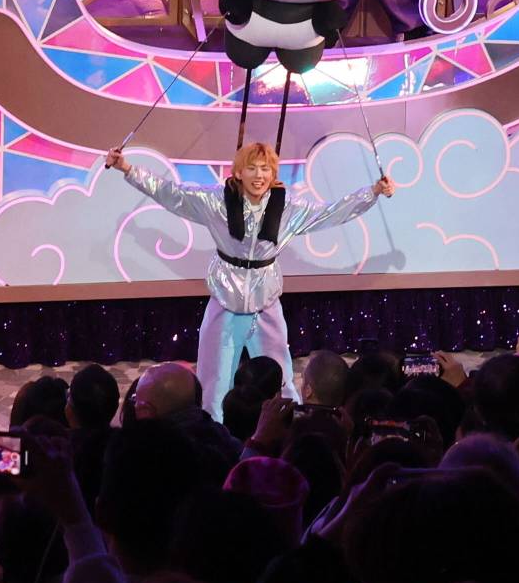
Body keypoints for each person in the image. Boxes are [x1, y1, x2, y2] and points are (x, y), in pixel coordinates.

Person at [102, 140, 392, 406]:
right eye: (251, 168)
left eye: (265, 169)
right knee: (213, 381)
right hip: (225, 302)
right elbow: (171, 194)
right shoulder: (215, 202)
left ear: (273, 175)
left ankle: (286, 427)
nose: (258, 175)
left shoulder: (287, 209)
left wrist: (373, 192)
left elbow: (332, 212)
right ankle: (212, 432)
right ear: (238, 173)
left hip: (265, 303)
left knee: (282, 379)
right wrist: (127, 168)